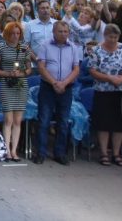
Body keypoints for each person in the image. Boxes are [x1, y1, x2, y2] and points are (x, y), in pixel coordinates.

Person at [87, 23, 122, 166]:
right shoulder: (96, 50)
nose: (113, 40)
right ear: (105, 36)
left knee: (119, 124)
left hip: (120, 91)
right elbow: (92, 70)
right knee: (103, 123)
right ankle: (104, 153)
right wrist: (109, 78)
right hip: (103, 91)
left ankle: (116, 153)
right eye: (110, 37)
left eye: (116, 37)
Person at [34, 20, 81, 165]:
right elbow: (41, 67)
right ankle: (40, 153)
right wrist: (54, 82)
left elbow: (76, 69)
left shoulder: (73, 47)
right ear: (54, 32)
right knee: (44, 120)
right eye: (60, 31)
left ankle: (60, 153)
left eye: (66, 31)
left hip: (66, 88)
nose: (63, 34)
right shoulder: (45, 46)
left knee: (63, 122)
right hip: (48, 87)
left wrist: (64, 83)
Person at [0, 21, 30, 162]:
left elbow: (29, 68)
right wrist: (8, 73)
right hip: (7, 83)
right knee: (8, 119)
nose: (15, 36)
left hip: (21, 84)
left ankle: (14, 150)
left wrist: (21, 73)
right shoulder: (1, 47)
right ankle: (6, 149)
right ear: (7, 34)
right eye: (12, 33)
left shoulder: (24, 47)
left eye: (18, 33)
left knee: (18, 120)